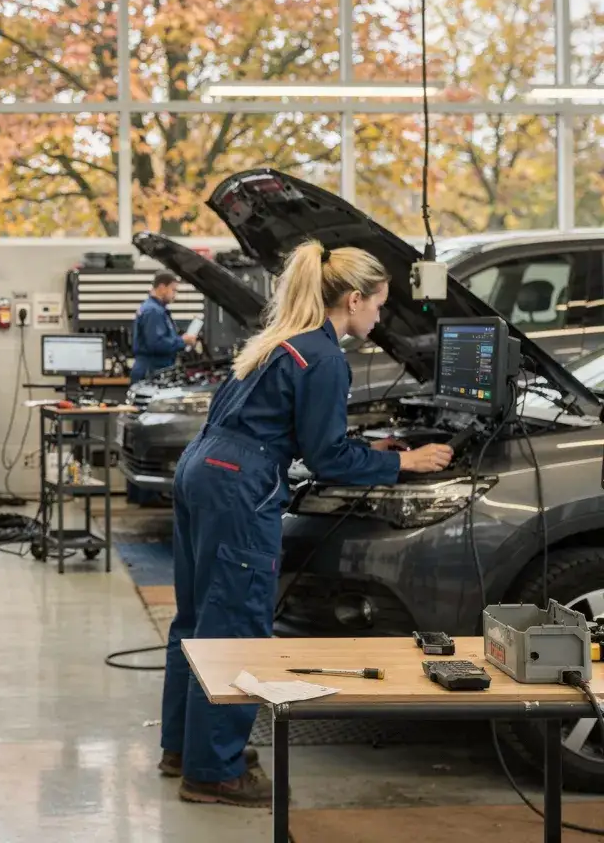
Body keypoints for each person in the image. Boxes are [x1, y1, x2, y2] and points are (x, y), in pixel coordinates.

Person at [158, 240, 454, 807]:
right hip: (239, 487)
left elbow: (295, 431)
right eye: (378, 305)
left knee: (196, 620)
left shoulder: (279, 341)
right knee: (237, 627)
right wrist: (402, 461)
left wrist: (370, 447)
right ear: (352, 298)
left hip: (203, 470)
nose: (379, 317)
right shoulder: (323, 358)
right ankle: (214, 772)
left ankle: (184, 747)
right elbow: (328, 459)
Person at [130, 270, 197, 384]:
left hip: (153, 370)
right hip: (150, 372)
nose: (175, 295)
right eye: (173, 290)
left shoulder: (156, 309)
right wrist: (183, 341)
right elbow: (156, 344)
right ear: (162, 287)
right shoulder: (153, 311)